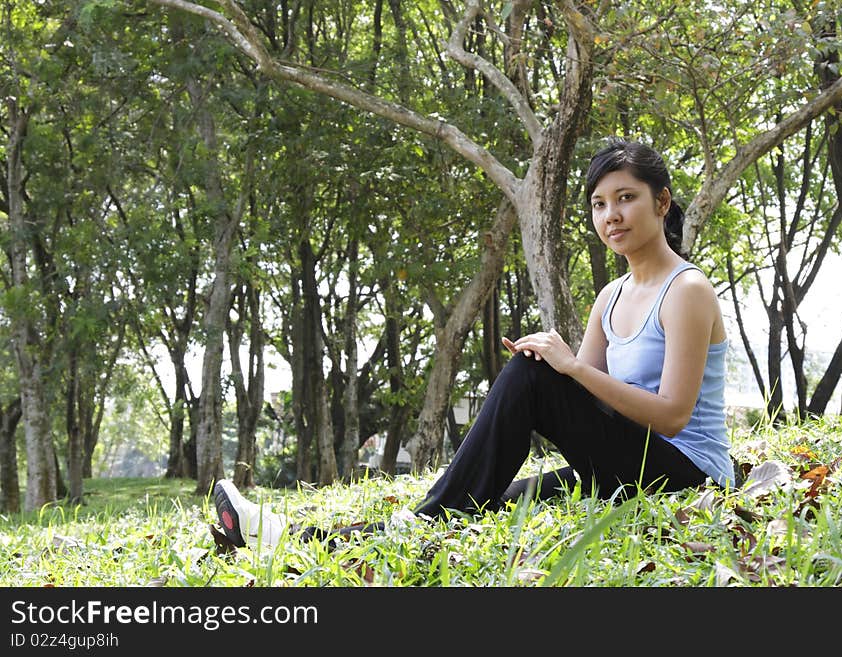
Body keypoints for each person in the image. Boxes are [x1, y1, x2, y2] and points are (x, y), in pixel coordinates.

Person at [212, 137, 734, 551]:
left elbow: (671, 417)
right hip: (629, 462)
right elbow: (590, 406)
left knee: (534, 375)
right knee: (486, 497)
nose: (611, 215)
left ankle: (367, 531)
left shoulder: (686, 290)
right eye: (599, 204)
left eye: (626, 198)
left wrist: (567, 370)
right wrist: (562, 374)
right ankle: (290, 539)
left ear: (661, 202)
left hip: (687, 474)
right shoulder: (612, 296)